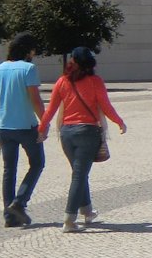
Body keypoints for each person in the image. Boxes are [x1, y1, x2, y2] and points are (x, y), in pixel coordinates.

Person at [37, 46, 126, 232]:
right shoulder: (95, 81)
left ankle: (87, 211)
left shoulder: (62, 82)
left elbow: (51, 109)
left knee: (79, 172)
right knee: (79, 174)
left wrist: (41, 128)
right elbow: (106, 106)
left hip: (66, 134)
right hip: (87, 132)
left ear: (72, 62)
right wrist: (119, 122)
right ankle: (69, 219)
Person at [0, 32, 46, 227]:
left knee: (9, 170)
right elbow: (35, 99)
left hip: (4, 127)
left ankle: (10, 217)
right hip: (26, 126)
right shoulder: (29, 69)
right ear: (28, 50)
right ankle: (19, 202)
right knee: (37, 163)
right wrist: (44, 123)